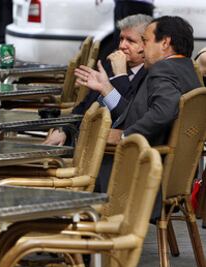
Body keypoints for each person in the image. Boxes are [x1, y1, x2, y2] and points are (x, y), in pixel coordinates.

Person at [75, 16, 201, 195]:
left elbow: (164, 111)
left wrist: (126, 135)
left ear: (165, 43)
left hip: (145, 172)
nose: (143, 49)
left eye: (146, 41)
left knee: (85, 154)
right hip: (176, 173)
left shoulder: (163, 70)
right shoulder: (187, 69)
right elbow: (141, 111)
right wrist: (106, 88)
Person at [44, 14, 152, 146]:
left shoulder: (149, 75)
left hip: (103, 149)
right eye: (121, 39)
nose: (122, 46)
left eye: (130, 41)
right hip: (76, 139)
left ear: (146, 45)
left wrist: (121, 76)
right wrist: (63, 129)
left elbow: (126, 117)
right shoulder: (110, 64)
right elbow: (84, 106)